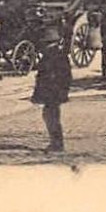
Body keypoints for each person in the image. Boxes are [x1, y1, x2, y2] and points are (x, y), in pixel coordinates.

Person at [30, 25, 72, 153]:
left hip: (53, 92)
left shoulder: (55, 55)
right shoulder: (54, 54)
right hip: (52, 92)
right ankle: (55, 143)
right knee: (50, 116)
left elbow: (63, 76)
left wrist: (59, 92)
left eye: (44, 43)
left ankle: (57, 144)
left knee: (52, 118)